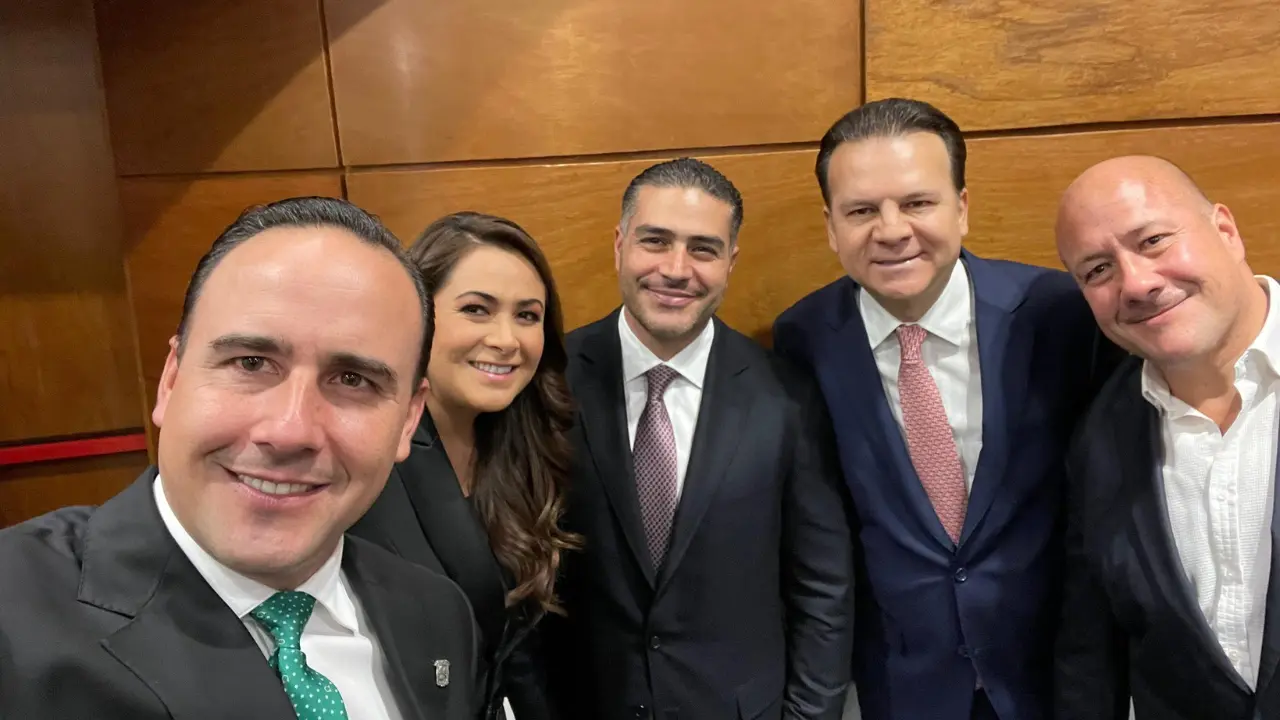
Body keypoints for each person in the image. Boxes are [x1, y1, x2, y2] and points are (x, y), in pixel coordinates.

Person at [0, 197, 477, 719]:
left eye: (353, 380)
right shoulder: (13, 620)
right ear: (172, 379)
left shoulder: (438, 615)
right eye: (250, 363)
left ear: (409, 419)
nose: (290, 430)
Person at [772, 98, 1117, 720]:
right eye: (860, 211)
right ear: (830, 226)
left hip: (1054, 680)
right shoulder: (803, 338)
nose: (891, 229)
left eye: (917, 202)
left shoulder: (1060, 314)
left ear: (962, 207)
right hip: (900, 688)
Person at [540, 157, 854, 720]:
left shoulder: (786, 396)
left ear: (730, 262)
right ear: (619, 245)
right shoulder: (549, 382)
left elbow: (822, 587)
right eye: (655, 241)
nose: (676, 269)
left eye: (703, 249)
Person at [1054, 155, 1280, 719]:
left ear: (1225, 230)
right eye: (1098, 270)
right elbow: (1091, 654)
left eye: (1153, 240)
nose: (1136, 282)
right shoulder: (1098, 439)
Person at [350, 211, 580, 720]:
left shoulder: (524, 443)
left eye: (528, 315)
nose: (506, 339)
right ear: (416, 315)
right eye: (477, 309)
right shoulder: (361, 454)